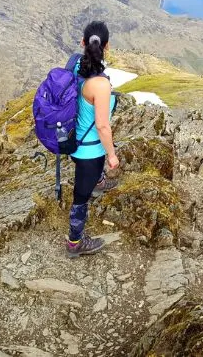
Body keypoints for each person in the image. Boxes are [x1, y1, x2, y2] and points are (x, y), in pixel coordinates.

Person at [67, 21, 120, 258]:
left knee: (88, 178)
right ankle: (74, 242)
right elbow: (102, 125)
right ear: (106, 46)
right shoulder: (100, 84)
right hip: (89, 151)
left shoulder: (75, 63)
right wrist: (112, 155)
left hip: (72, 141)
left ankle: (97, 183)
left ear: (82, 43)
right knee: (80, 197)